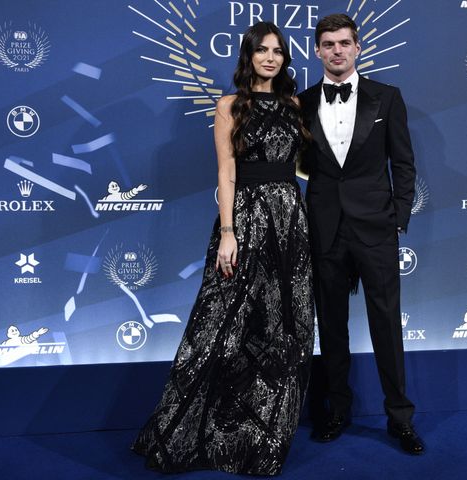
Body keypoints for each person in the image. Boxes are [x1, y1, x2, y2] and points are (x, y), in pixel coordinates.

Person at [132, 22, 314, 475]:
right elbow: (226, 172)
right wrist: (228, 232)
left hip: (290, 220)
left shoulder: (295, 105)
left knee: (282, 326)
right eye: (262, 50)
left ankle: (262, 438)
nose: (270, 58)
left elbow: (302, 167)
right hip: (246, 219)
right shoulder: (229, 105)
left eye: (278, 51)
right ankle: (190, 432)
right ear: (248, 56)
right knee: (219, 326)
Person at [298, 14, 423, 454]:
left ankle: (400, 418)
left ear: (357, 48)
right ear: (317, 50)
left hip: (375, 228)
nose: (337, 50)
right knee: (331, 326)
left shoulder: (387, 97)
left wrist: (397, 217)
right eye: (328, 44)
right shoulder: (301, 102)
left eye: (344, 43)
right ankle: (337, 410)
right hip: (324, 228)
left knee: (386, 324)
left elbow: (403, 163)